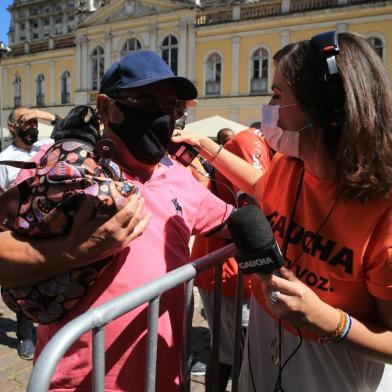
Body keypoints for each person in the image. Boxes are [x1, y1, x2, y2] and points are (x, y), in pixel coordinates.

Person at [173, 31, 392, 391]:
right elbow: (258, 186)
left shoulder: (383, 212)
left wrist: (330, 321)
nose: (268, 108)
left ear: (324, 107)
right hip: (261, 352)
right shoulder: (288, 169)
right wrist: (203, 145)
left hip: (334, 367)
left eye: (277, 95)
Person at [21, 50, 233, 391]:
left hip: (162, 380)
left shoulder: (177, 175)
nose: (162, 117)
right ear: (106, 107)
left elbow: (231, 222)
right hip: (79, 383)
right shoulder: (66, 169)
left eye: (172, 108)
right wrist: (75, 250)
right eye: (147, 102)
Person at [191, 127, 272, 391]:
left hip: (232, 269)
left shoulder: (274, 147)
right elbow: (256, 211)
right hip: (227, 271)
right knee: (238, 352)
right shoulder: (249, 143)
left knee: (233, 350)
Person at [0, 107, 57, 360]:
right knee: (25, 281)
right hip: (18, 228)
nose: (33, 127)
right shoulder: (4, 159)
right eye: (27, 122)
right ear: (13, 128)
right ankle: (25, 335)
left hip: (49, 224)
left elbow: (67, 124)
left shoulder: (46, 146)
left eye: (35, 122)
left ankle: (51, 332)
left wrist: (39, 115)